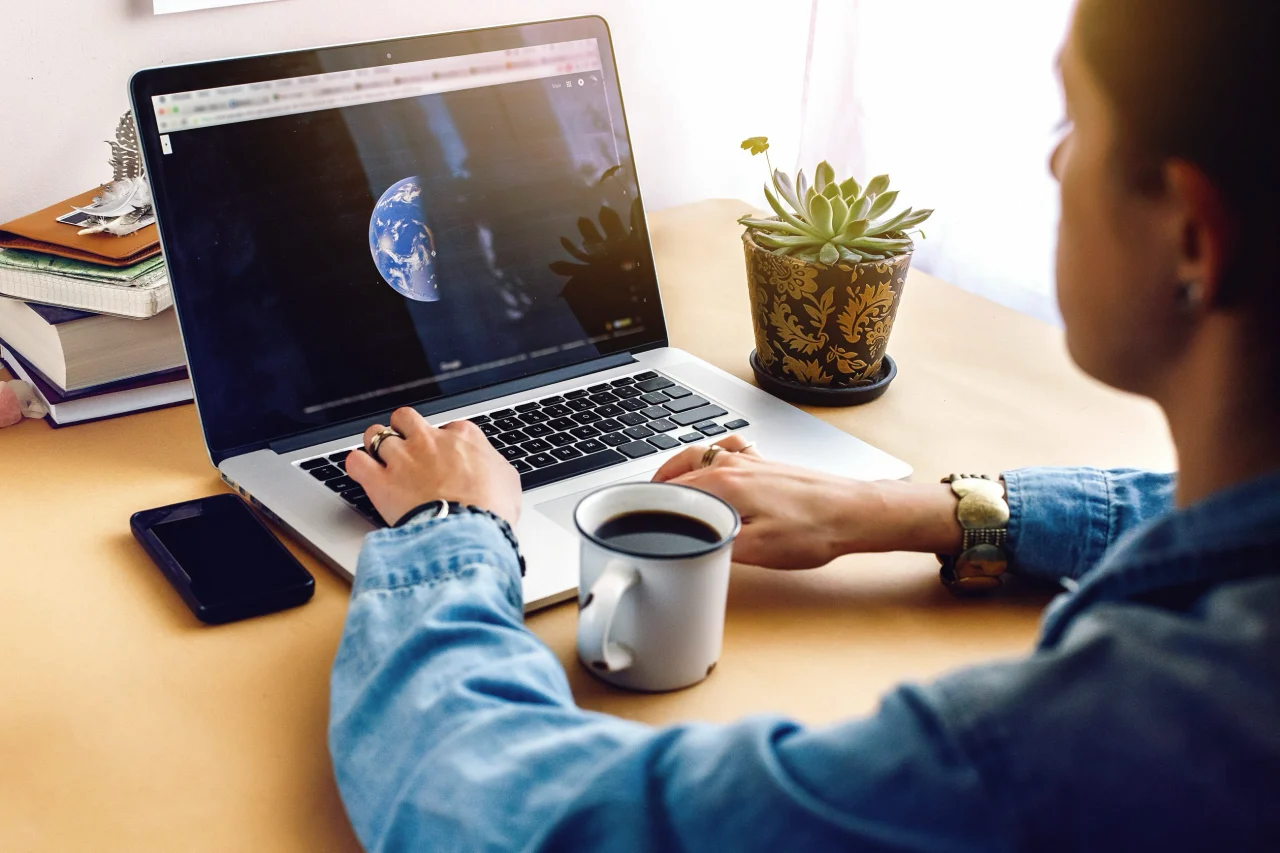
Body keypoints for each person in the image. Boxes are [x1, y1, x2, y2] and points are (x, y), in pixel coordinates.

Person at [328, 0, 1280, 848]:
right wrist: (909, 512)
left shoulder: (1070, 749)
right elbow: (1190, 517)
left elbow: (511, 810)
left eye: (1073, 118)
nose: (1055, 159)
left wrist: (447, 532)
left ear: (1192, 234)